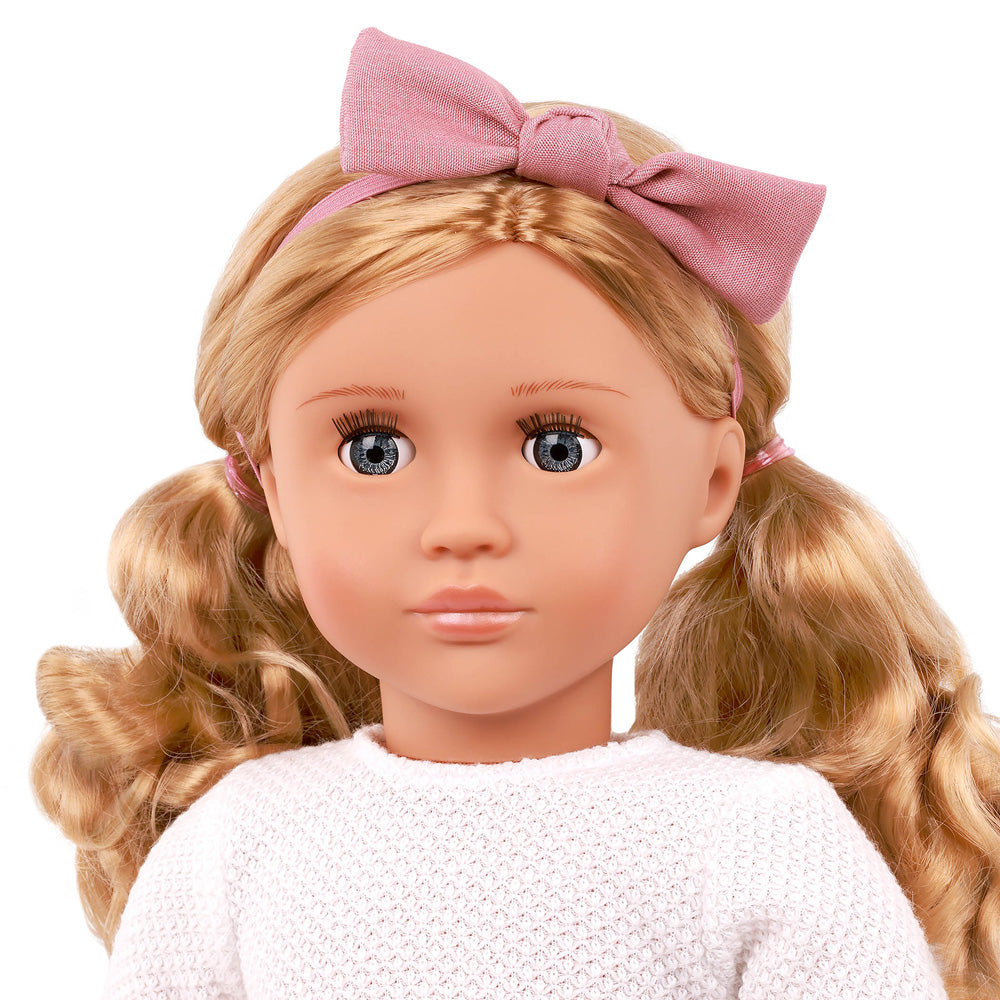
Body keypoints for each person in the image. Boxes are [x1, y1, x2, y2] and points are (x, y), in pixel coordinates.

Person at [31, 27, 998, 1000]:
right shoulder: (237, 847)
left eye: (557, 448)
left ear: (712, 483)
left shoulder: (759, 841)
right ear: (273, 485)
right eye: (374, 450)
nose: (464, 525)